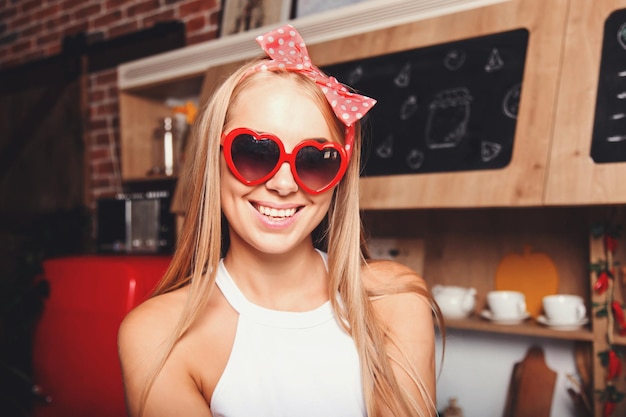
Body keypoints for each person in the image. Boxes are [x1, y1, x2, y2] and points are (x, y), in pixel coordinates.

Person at [118, 24, 443, 417]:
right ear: (213, 161)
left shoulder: (396, 300)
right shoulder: (156, 334)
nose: (285, 184)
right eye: (255, 152)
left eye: (314, 160)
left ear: (340, 177)